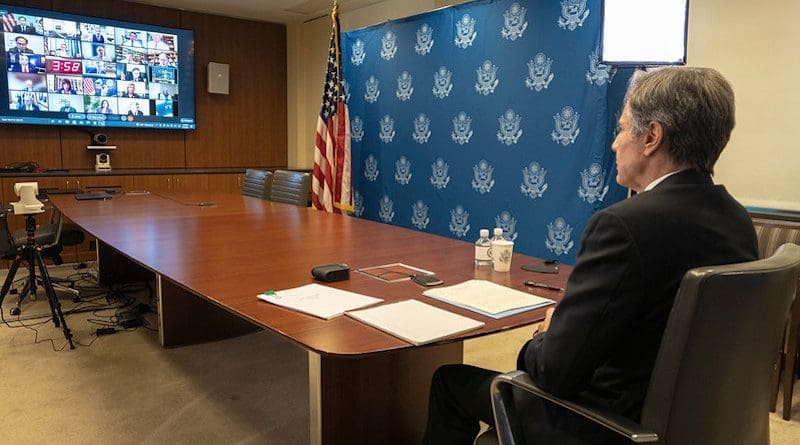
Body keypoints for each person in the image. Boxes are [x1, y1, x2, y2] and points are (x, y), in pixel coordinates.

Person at [422, 67, 759, 445]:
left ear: (651, 137)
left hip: (605, 425)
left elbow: (555, 372)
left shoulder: (624, 226)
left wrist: (544, 333)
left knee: (449, 382)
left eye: (621, 129)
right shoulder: (738, 220)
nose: (615, 144)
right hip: (693, 423)